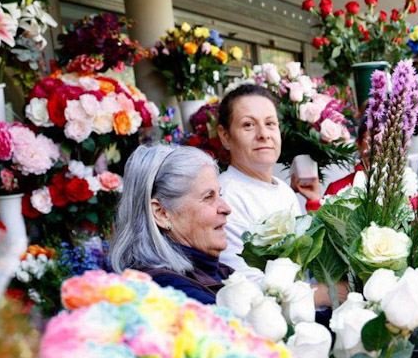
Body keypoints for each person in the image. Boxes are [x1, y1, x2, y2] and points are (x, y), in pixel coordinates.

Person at [215, 84, 321, 275]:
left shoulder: (284, 190)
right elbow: (247, 286)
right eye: (248, 124)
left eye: (270, 123)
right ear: (225, 136)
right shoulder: (224, 197)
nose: (264, 134)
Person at [109, 144, 232, 305]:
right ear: (161, 213)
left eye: (219, 194)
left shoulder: (216, 272)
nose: (226, 208)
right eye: (208, 197)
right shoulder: (172, 294)